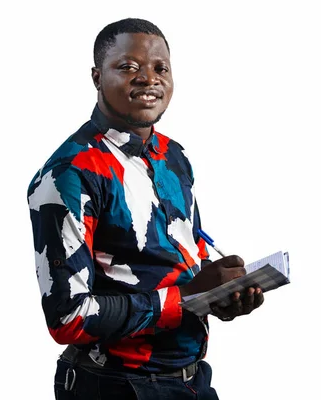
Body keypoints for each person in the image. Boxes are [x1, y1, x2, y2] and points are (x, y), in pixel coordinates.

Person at [27, 17, 264, 400]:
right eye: (128, 67)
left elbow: (179, 263)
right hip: (116, 385)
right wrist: (187, 298)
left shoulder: (174, 156)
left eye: (160, 68)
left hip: (190, 380)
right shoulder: (69, 174)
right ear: (97, 77)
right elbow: (67, 317)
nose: (148, 78)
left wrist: (220, 294)